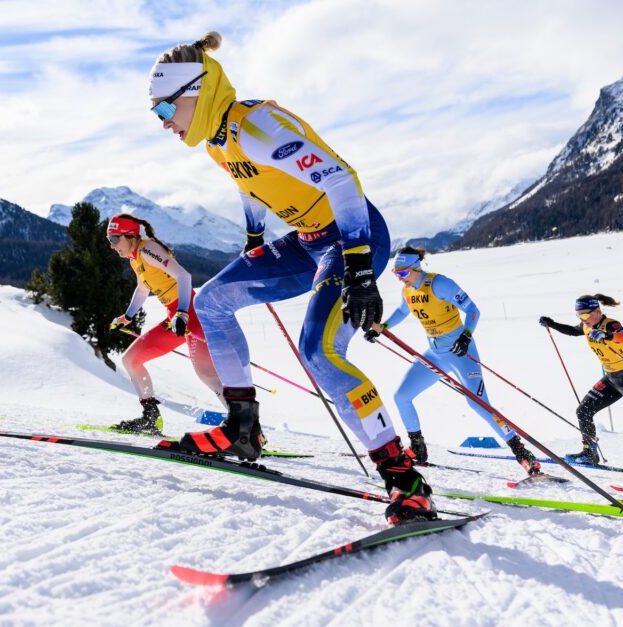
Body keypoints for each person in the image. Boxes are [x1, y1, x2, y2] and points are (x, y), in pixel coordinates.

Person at [145, 31, 434, 524]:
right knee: (211, 302)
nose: (164, 124)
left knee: (319, 351)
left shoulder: (258, 123)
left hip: (351, 236)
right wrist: (256, 238)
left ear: (196, 91)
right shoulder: (219, 140)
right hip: (306, 241)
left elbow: (342, 179)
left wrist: (361, 267)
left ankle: (404, 478)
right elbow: (248, 182)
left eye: (165, 111)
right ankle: (242, 427)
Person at [365, 247, 546, 476]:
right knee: (401, 396)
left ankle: (522, 453)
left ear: (415, 267)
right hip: (434, 355)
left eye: (402, 272)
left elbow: (473, 310)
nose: (399, 277)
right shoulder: (407, 291)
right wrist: (383, 328)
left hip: (461, 352)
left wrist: (466, 335)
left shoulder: (440, 284)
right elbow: (403, 312)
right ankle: (418, 449)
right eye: (396, 273)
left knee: (479, 404)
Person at [539, 294, 623, 483]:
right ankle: (590, 452)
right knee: (583, 411)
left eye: (586, 315)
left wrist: (608, 335)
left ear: (597, 311)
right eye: (579, 316)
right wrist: (552, 324)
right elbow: (572, 330)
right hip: (612, 380)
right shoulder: (587, 326)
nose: (583, 320)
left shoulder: (610, 325)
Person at [106, 213, 222, 434]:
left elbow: (184, 277)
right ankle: (150, 418)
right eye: (108, 240)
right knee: (131, 359)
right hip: (175, 318)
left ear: (130, 236)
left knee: (207, 374)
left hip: (191, 314)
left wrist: (182, 312)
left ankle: (246, 429)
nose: (112, 245)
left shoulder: (148, 249)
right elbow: (142, 290)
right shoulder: (135, 258)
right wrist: (128, 316)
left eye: (114, 239)